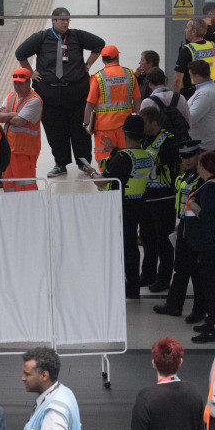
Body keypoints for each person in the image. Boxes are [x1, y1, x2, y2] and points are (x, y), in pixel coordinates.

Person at [15, 7, 105, 177]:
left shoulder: (76, 36)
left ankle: (84, 163)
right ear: (53, 21)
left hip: (76, 92)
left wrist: (88, 65)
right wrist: (31, 72)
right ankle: (60, 163)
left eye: (67, 20)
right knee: (55, 130)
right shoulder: (41, 38)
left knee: (80, 129)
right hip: (50, 94)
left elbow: (99, 44)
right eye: (62, 20)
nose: (65, 23)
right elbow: (20, 53)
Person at [83, 115, 154, 299]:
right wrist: (113, 150)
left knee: (119, 248)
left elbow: (101, 182)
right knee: (131, 248)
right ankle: (133, 286)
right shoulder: (145, 155)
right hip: (138, 205)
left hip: (120, 208)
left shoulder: (122, 158)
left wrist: (91, 172)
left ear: (125, 134)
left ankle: (120, 286)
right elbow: (129, 162)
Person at [184, 151, 215, 343]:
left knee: (212, 289)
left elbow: (206, 215)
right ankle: (212, 322)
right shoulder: (213, 184)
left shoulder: (211, 187)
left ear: (203, 167)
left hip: (212, 246)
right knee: (211, 286)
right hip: (211, 245)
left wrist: (192, 204)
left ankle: (214, 328)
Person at [153, 141, 203, 318]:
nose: (187, 161)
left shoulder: (202, 178)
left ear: (198, 155)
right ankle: (175, 305)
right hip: (184, 225)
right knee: (181, 267)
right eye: (184, 157)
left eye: (190, 156)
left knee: (196, 271)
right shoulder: (182, 177)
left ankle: (198, 310)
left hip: (196, 228)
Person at [138, 106, 180, 293]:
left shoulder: (168, 140)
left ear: (154, 123)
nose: (142, 127)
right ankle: (147, 274)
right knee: (147, 238)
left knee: (163, 240)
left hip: (164, 197)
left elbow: (168, 162)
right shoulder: (144, 138)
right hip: (146, 196)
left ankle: (164, 278)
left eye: (144, 123)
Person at [19, 347, 83, 430]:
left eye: (27, 374)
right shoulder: (64, 392)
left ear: (44, 375)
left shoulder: (52, 414)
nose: (22, 378)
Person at [84, 45, 140, 164]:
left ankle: (106, 181)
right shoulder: (129, 74)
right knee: (126, 157)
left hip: (104, 127)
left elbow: (90, 103)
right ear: (117, 57)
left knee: (105, 159)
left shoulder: (98, 77)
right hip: (126, 126)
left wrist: (86, 123)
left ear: (103, 59)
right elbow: (137, 100)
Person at [0, 68, 43, 191]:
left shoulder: (34, 101)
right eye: (15, 83)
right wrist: (14, 114)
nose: (17, 86)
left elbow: (19, 122)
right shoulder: (11, 96)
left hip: (25, 152)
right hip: (9, 150)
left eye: (20, 83)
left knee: (26, 186)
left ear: (28, 82)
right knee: (9, 185)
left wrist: (9, 116)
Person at [173, 18, 215, 99]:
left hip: (192, 94)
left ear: (194, 31)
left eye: (187, 27)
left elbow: (177, 79)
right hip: (212, 90)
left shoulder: (186, 50)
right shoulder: (214, 46)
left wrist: (175, 100)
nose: (185, 30)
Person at [139, 67, 191, 137]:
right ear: (165, 80)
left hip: (159, 144)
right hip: (181, 142)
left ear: (149, 84)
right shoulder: (180, 97)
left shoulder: (147, 102)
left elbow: (143, 127)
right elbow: (188, 121)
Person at [186, 60, 215, 153]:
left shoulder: (206, 93)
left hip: (203, 144)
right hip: (204, 141)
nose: (190, 77)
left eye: (191, 75)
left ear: (198, 76)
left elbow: (191, 118)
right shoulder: (208, 88)